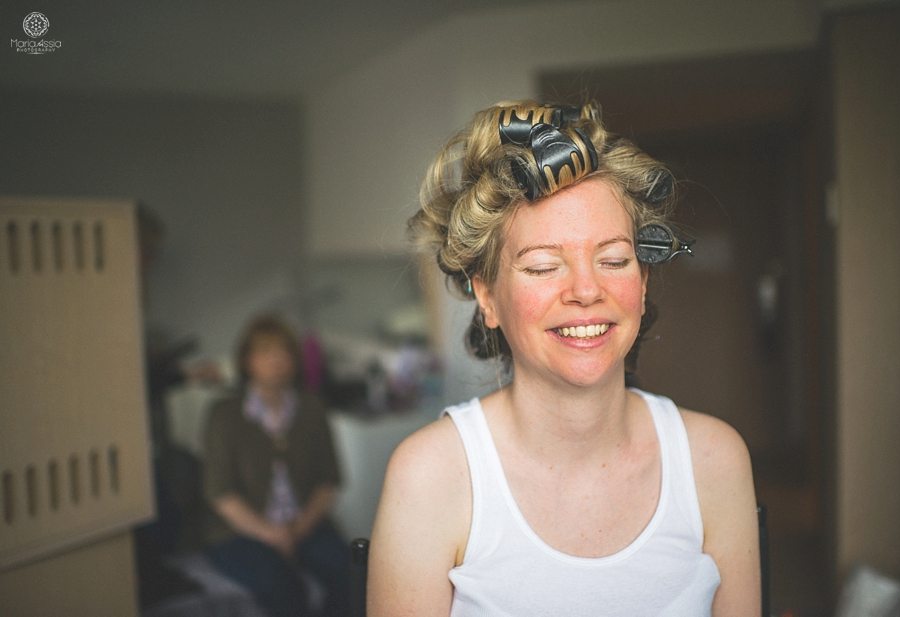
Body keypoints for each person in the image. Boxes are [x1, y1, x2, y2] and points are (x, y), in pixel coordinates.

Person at [368, 101, 760, 616]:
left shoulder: (715, 460)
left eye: (614, 260)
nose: (585, 289)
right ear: (485, 296)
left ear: (642, 284)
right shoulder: (430, 476)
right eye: (544, 266)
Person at [202, 314, 350, 617]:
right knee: (284, 590)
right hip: (241, 531)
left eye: (284, 352)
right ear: (247, 361)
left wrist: (298, 529)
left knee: (351, 575)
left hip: (305, 524)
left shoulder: (311, 408)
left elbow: (329, 480)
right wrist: (271, 534)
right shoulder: (224, 414)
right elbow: (220, 492)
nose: (276, 360)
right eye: (266, 352)